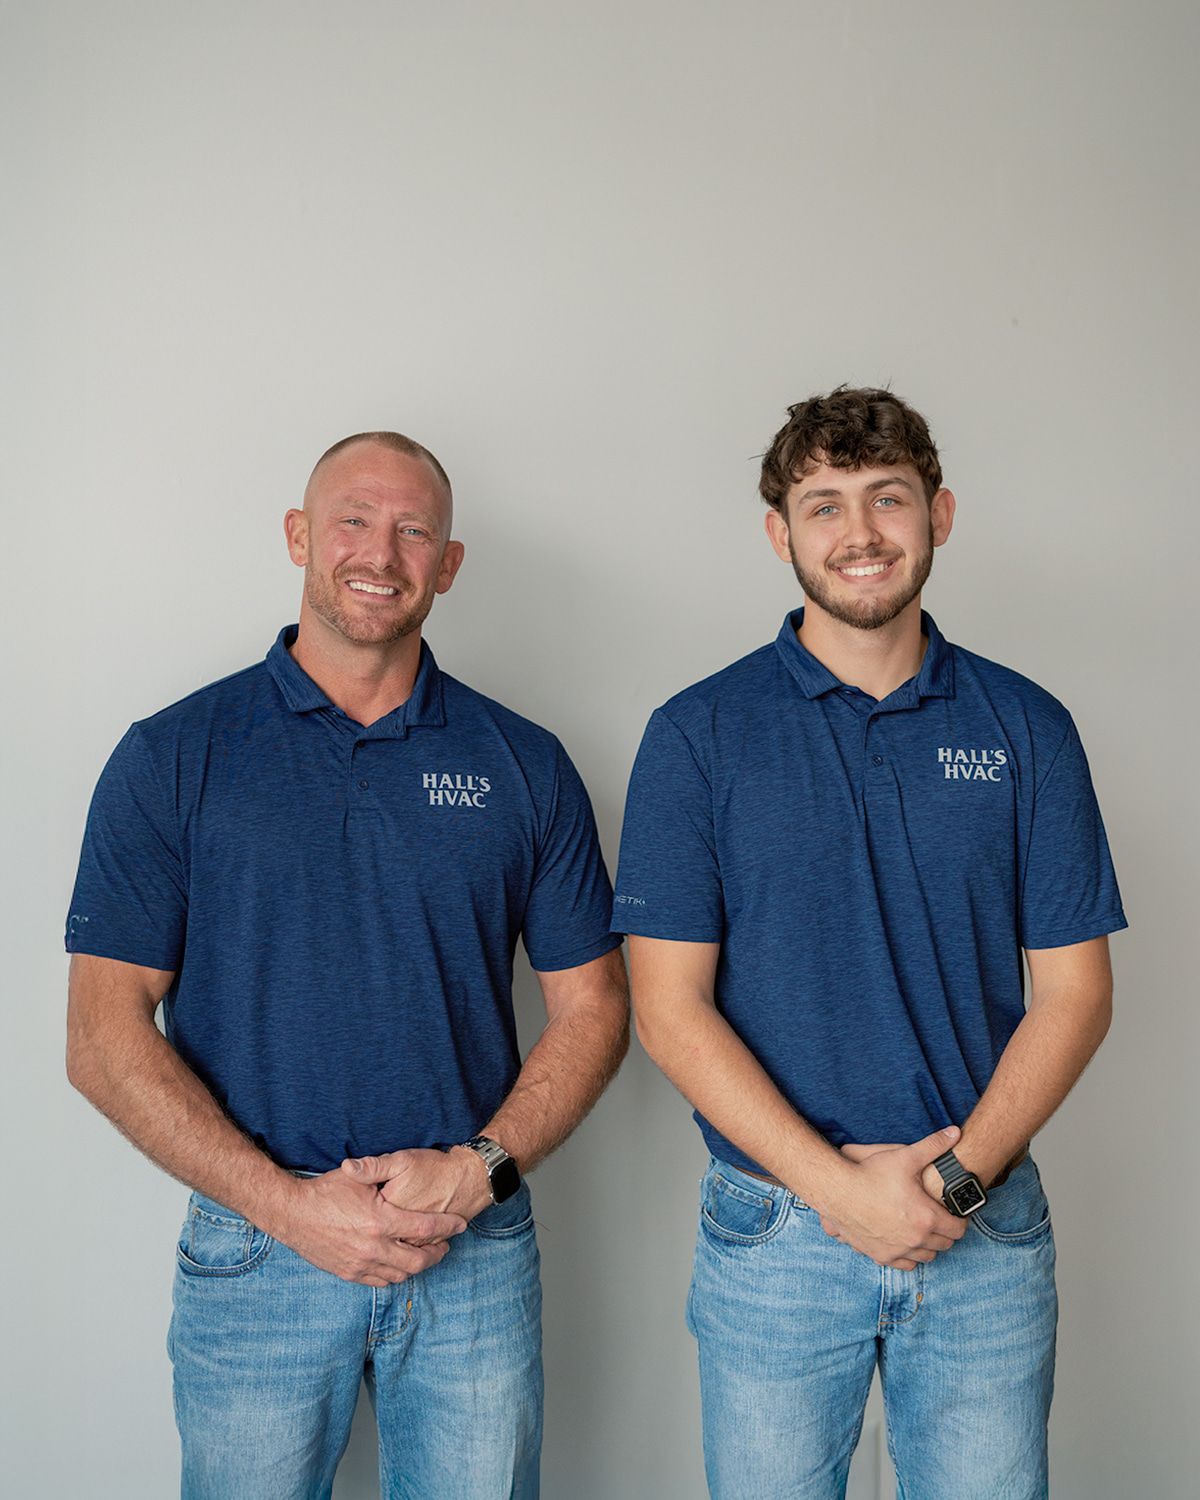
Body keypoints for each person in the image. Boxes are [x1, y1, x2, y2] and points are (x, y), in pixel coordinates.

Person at [65, 431, 629, 1500]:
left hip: (471, 1244)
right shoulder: (176, 755)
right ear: (298, 538)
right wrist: (286, 1206)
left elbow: (595, 1007)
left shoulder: (524, 764)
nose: (383, 550)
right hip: (256, 1252)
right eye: (354, 521)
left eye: (415, 528)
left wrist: (477, 1172)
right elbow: (100, 1036)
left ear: (448, 562)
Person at [613, 387, 1125, 1499]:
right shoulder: (697, 734)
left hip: (981, 1224)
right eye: (824, 504)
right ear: (779, 534)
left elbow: (1076, 993)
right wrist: (837, 1192)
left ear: (940, 514)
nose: (860, 533)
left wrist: (952, 1180)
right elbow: (667, 1007)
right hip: (776, 1231)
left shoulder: (1025, 727)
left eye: (887, 498)